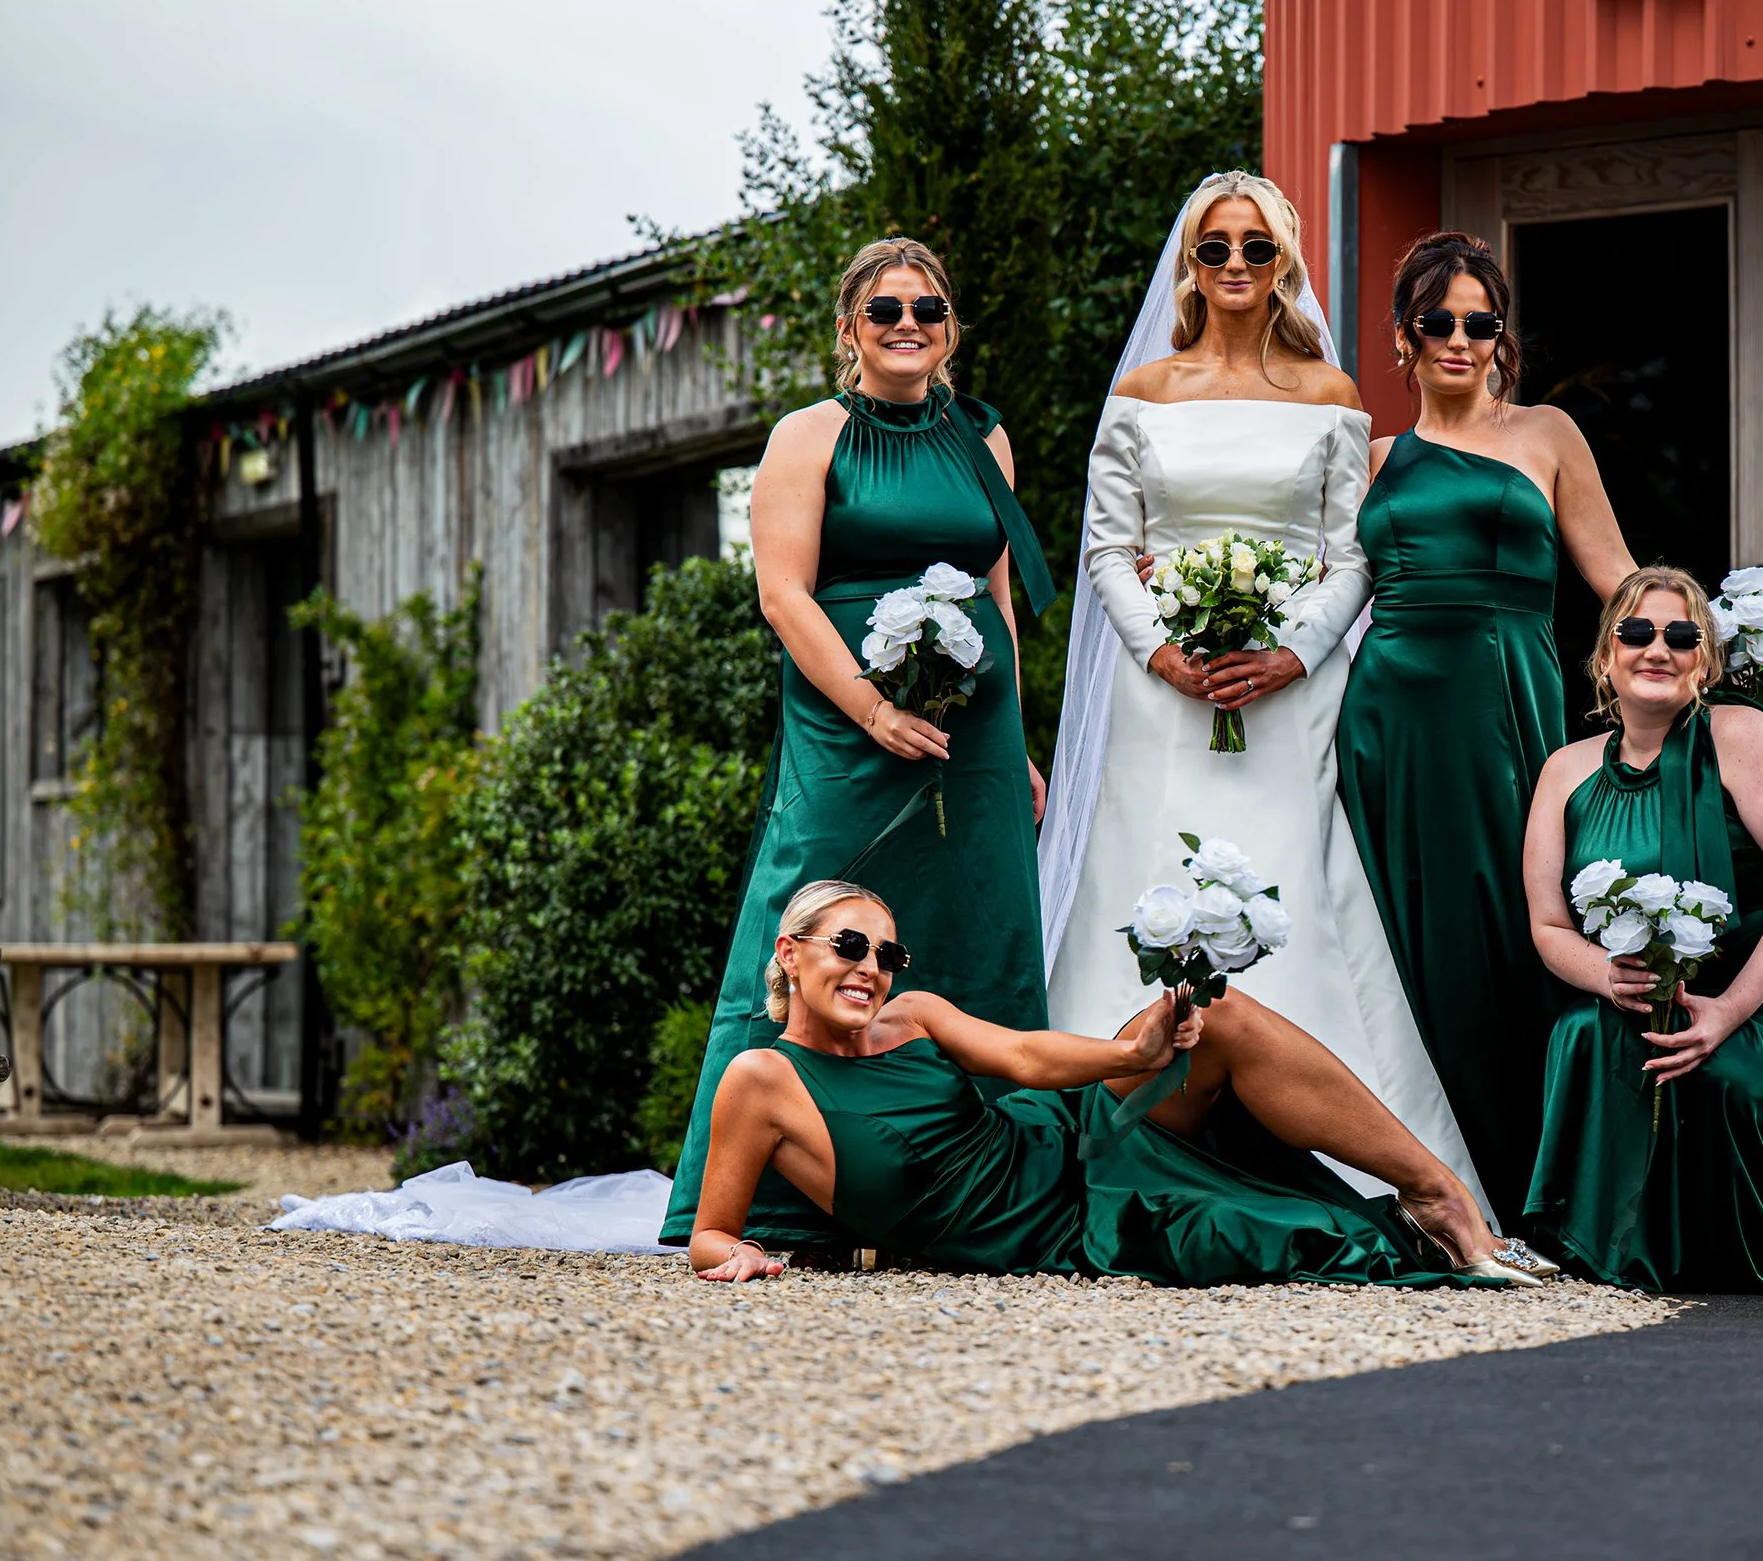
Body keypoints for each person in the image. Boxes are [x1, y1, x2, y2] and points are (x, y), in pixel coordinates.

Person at [1034, 172, 1491, 1220]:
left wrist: (1288, 653)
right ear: (1189, 265)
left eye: (1254, 248)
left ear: (1284, 262)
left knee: (1297, 890)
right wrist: (1160, 653)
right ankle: (1113, 1153)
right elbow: (1109, 550)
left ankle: (1350, 1158)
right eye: (1214, 248)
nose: (1235, 266)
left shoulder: (1330, 398)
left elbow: (1351, 556)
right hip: (1166, 699)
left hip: (1290, 693)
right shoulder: (1142, 395)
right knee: (1137, 877)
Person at [660, 239, 1056, 1253]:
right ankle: (767, 1199)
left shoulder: (984, 438)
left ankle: (986, 1188)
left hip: (972, 730)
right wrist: (872, 710)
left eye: (928, 308)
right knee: (813, 903)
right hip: (843, 722)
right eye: (884, 312)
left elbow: (997, 591)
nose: (908, 325)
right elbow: (781, 593)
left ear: (949, 325)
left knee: (978, 923)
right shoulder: (807, 436)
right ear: (849, 330)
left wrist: (1010, 742)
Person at [687, 880, 1540, 1287]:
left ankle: (1438, 1191)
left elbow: (1024, 1059)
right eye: (849, 945)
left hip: (1064, 1136)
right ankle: (1407, 1217)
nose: (872, 967)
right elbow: (711, 1234)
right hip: (1059, 1227)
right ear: (790, 953)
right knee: (1288, 1240)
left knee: (1217, 1008)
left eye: (887, 952)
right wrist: (746, 1258)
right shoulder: (760, 1079)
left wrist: (1134, 1056)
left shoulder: (912, 1014)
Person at [1335, 232, 1635, 1221]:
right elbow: (1312, 592)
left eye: (1480, 322)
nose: (1460, 338)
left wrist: (1711, 653)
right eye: (1439, 321)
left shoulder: (1545, 433)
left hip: (1505, 710)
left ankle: (1531, 1188)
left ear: (1499, 336)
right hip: (1389, 718)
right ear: (1402, 337)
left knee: (1513, 924)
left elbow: (1618, 581)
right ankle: (1430, 1181)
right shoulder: (1369, 458)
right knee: (1410, 934)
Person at [1521, 567, 1763, 1291]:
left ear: (1705, 659)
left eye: (1681, 635)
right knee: (1586, 1033)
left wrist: (1730, 1011)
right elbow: (1548, 924)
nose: (1657, 648)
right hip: (1675, 992)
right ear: (1606, 654)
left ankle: (1733, 1254)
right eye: (1637, 632)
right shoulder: (1564, 772)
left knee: (1720, 1070)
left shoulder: (1743, 736)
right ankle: (1605, 1247)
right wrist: (1606, 973)